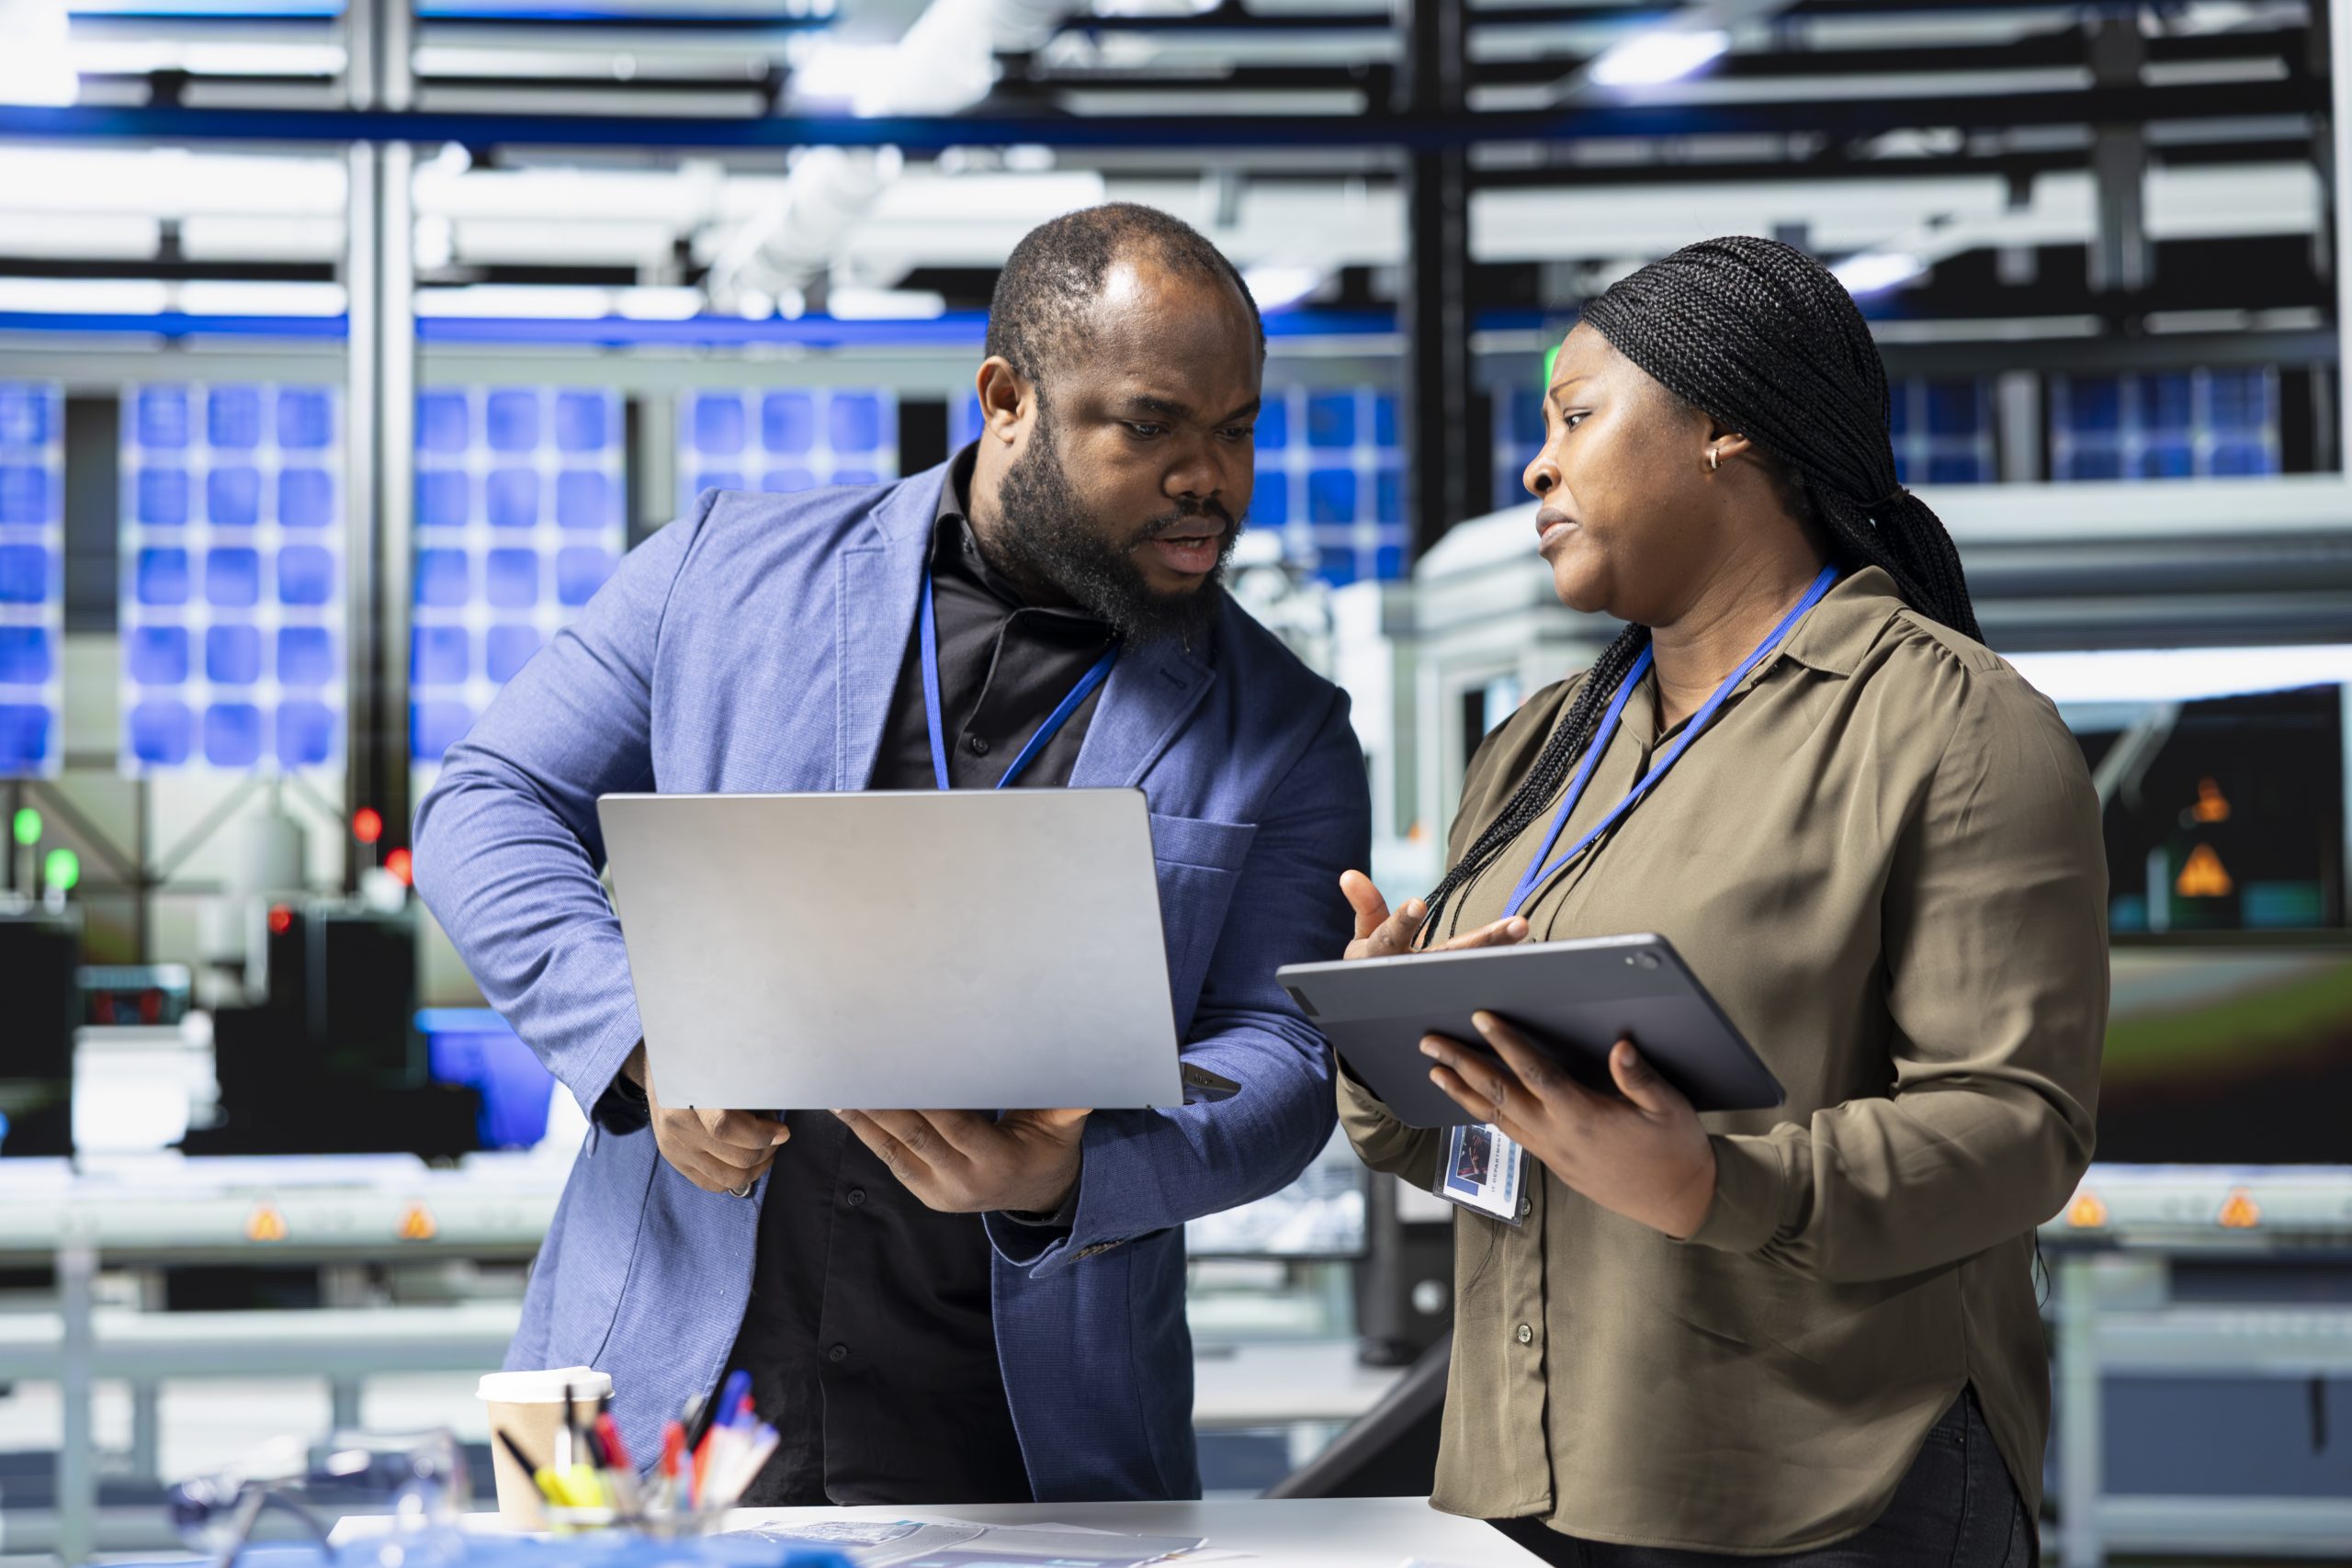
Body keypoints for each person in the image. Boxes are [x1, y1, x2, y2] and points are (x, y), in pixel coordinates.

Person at [413, 203, 1369, 1505]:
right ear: (1007, 399)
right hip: (643, 1393)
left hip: (1029, 1444)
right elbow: (488, 799)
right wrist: (646, 1036)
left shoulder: (1289, 727)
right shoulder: (718, 572)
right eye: (1150, 425)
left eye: (1238, 428)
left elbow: (1285, 1053)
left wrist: (1075, 1171)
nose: (1211, 478)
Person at [1336, 236, 2106, 1566]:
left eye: (1578, 417)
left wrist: (1716, 1187)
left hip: (1830, 1485)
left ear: (1724, 426)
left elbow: (2015, 1125)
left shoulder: (1950, 722)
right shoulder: (1538, 753)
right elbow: (1474, 1150)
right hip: (1544, 1478)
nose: (1539, 465)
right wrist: (1393, 1039)